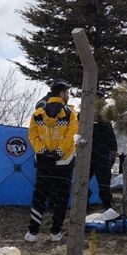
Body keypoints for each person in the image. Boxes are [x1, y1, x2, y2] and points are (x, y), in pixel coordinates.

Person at [25, 80, 78, 242]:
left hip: (43, 163)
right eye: (67, 93)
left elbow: (32, 135)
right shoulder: (70, 113)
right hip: (63, 163)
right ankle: (55, 233)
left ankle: (32, 233)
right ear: (62, 94)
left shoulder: (38, 113)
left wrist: (42, 151)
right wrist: (59, 152)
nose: (68, 96)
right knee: (61, 198)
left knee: (39, 196)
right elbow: (72, 136)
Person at [90, 111, 118, 213]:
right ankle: (108, 206)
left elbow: (113, 144)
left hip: (99, 157)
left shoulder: (105, 124)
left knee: (104, 184)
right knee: (101, 183)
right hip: (93, 158)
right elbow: (113, 144)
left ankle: (108, 206)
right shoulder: (85, 122)